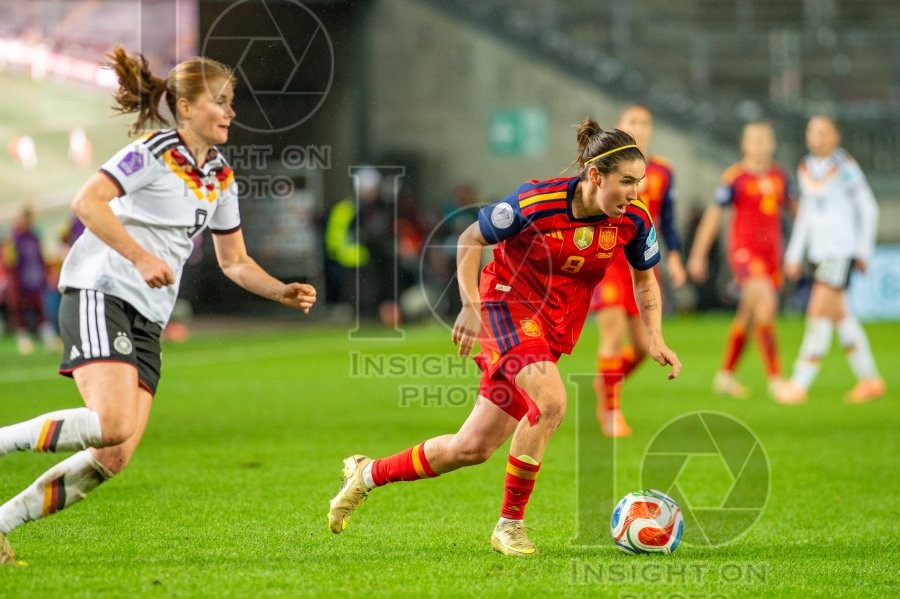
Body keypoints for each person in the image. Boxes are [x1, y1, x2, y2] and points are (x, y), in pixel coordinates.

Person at [0, 46, 317, 566]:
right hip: (101, 290)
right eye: (220, 101)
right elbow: (87, 202)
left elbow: (235, 261)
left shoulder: (220, 176)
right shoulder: (153, 151)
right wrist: (139, 255)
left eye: (231, 101)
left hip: (148, 315)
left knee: (113, 454)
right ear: (185, 107)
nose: (231, 111)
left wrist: (279, 290)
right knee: (112, 422)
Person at [327, 119, 681, 557]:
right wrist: (470, 305)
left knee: (471, 447)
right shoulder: (537, 201)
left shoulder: (634, 219)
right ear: (594, 175)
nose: (634, 192)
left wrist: (655, 337)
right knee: (551, 402)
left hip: (554, 327)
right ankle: (509, 526)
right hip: (506, 307)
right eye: (626, 181)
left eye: (638, 182)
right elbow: (470, 238)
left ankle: (365, 474)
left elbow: (644, 280)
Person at [588, 104, 686, 437]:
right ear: (619, 125)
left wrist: (675, 257)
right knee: (613, 336)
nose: (639, 127)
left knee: (645, 348)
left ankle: (606, 384)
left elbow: (667, 219)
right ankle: (611, 411)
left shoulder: (663, 171)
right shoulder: (605, 165)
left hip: (641, 261)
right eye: (632, 121)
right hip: (607, 258)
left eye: (645, 122)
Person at [774, 116, 884, 404]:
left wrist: (863, 251)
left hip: (839, 251)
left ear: (836, 136)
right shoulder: (806, 167)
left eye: (824, 132)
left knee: (817, 313)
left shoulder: (845, 166)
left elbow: (868, 208)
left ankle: (799, 383)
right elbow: (806, 215)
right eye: (813, 132)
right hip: (819, 253)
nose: (818, 137)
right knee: (842, 318)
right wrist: (794, 254)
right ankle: (870, 380)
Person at [687, 121, 792, 399]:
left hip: (772, 258)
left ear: (772, 144)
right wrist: (698, 254)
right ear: (744, 145)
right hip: (745, 254)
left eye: (764, 139)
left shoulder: (780, 177)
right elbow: (714, 216)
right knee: (766, 305)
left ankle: (725, 376)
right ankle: (776, 381)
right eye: (754, 140)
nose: (759, 145)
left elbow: (799, 212)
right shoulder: (735, 177)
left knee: (748, 314)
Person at [1, 203, 60, 355]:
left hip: (36, 280)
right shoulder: (12, 239)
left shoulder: (35, 237)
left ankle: (49, 338)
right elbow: (9, 263)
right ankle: (23, 340)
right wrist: (14, 284)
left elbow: (41, 258)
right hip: (19, 283)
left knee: (40, 310)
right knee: (19, 311)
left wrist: (46, 274)